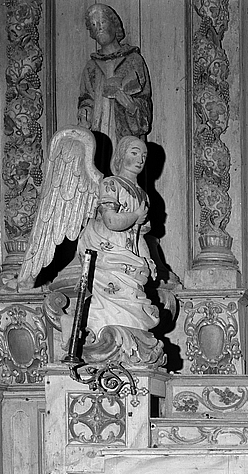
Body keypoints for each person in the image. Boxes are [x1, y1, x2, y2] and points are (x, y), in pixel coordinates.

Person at [78, 136, 159, 346]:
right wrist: (135, 216)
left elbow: (140, 235)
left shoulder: (143, 195)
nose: (140, 159)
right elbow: (111, 221)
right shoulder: (110, 184)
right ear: (122, 155)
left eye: (144, 155)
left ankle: (129, 345)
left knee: (133, 304)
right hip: (109, 251)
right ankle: (104, 342)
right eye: (134, 152)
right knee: (110, 307)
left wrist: (148, 260)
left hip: (130, 255)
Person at [78, 4, 153, 145]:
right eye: (93, 25)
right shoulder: (91, 66)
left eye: (102, 22)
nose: (99, 27)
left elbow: (144, 99)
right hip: (98, 136)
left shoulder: (133, 60)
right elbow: (86, 99)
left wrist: (131, 106)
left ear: (114, 25)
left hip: (126, 136)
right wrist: (85, 112)